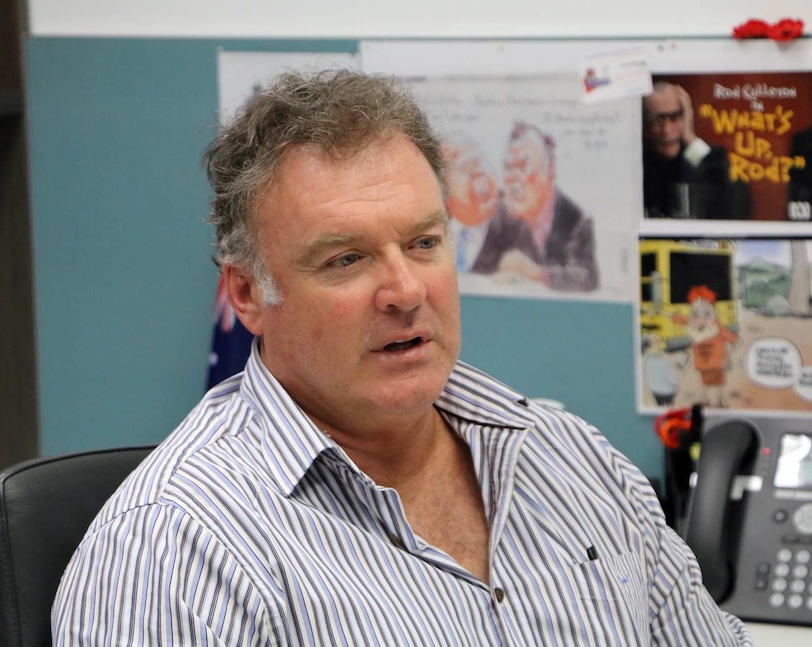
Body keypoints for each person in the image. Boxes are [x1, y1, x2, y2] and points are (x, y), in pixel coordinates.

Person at [52, 69, 751, 645]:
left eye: (423, 242)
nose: (406, 290)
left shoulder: (570, 458)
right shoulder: (177, 549)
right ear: (248, 293)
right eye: (346, 258)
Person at [471, 121, 599, 291]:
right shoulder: (501, 212)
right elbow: (479, 272)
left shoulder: (576, 221)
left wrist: (536, 273)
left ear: (549, 171)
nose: (513, 178)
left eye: (522, 167)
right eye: (508, 168)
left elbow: (588, 278)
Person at [642, 81, 749, 220]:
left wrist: (690, 139)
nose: (667, 130)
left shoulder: (705, 159)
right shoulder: (637, 166)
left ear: (686, 116)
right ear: (644, 127)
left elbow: (738, 206)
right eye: (657, 120)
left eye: (675, 117)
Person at [441, 131, 500, 271]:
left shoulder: (514, 228)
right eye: (465, 167)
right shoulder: (432, 228)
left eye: (479, 162)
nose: (480, 173)